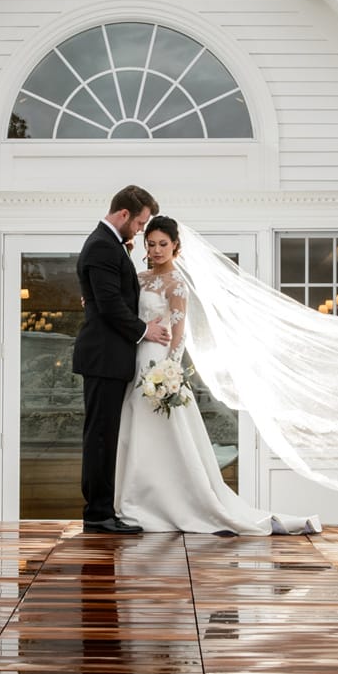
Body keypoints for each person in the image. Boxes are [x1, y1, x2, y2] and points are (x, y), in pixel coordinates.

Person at [115, 216, 320, 536]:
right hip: (135, 359)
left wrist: (169, 372)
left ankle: (172, 502)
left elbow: (179, 333)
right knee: (134, 428)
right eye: (151, 244)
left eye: (163, 244)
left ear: (175, 246)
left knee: (163, 432)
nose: (156, 250)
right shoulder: (139, 278)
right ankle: (135, 502)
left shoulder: (176, 284)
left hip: (158, 364)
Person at [71, 185, 165, 534]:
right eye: (140, 224)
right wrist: (145, 331)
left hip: (109, 357)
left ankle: (103, 510)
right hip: (104, 357)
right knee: (100, 437)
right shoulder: (100, 247)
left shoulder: (108, 246)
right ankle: (97, 515)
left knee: (106, 436)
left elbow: (104, 297)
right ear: (124, 215)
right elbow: (110, 306)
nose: (141, 231)